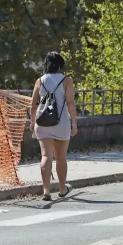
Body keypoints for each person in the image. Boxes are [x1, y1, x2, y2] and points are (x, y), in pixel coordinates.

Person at [30, 51, 78, 201]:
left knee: (45, 156)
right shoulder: (67, 81)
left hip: (43, 122)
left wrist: (32, 123)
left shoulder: (40, 81)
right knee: (61, 157)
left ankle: (46, 191)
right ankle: (63, 189)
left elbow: (33, 105)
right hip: (61, 123)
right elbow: (70, 102)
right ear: (60, 65)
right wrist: (74, 122)